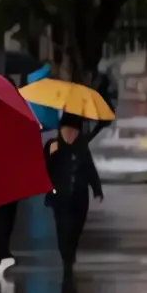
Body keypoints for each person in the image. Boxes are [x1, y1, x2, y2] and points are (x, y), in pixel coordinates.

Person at [46, 113, 102, 272]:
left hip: (79, 197)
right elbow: (46, 171)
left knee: (76, 227)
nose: (69, 134)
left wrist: (96, 189)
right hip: (60, 197)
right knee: (62, 227)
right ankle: (66, 256)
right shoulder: (53, 147)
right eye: (66, 130)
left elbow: (90, 169)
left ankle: (71, 252)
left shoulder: (82, 148)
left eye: (73, 131)